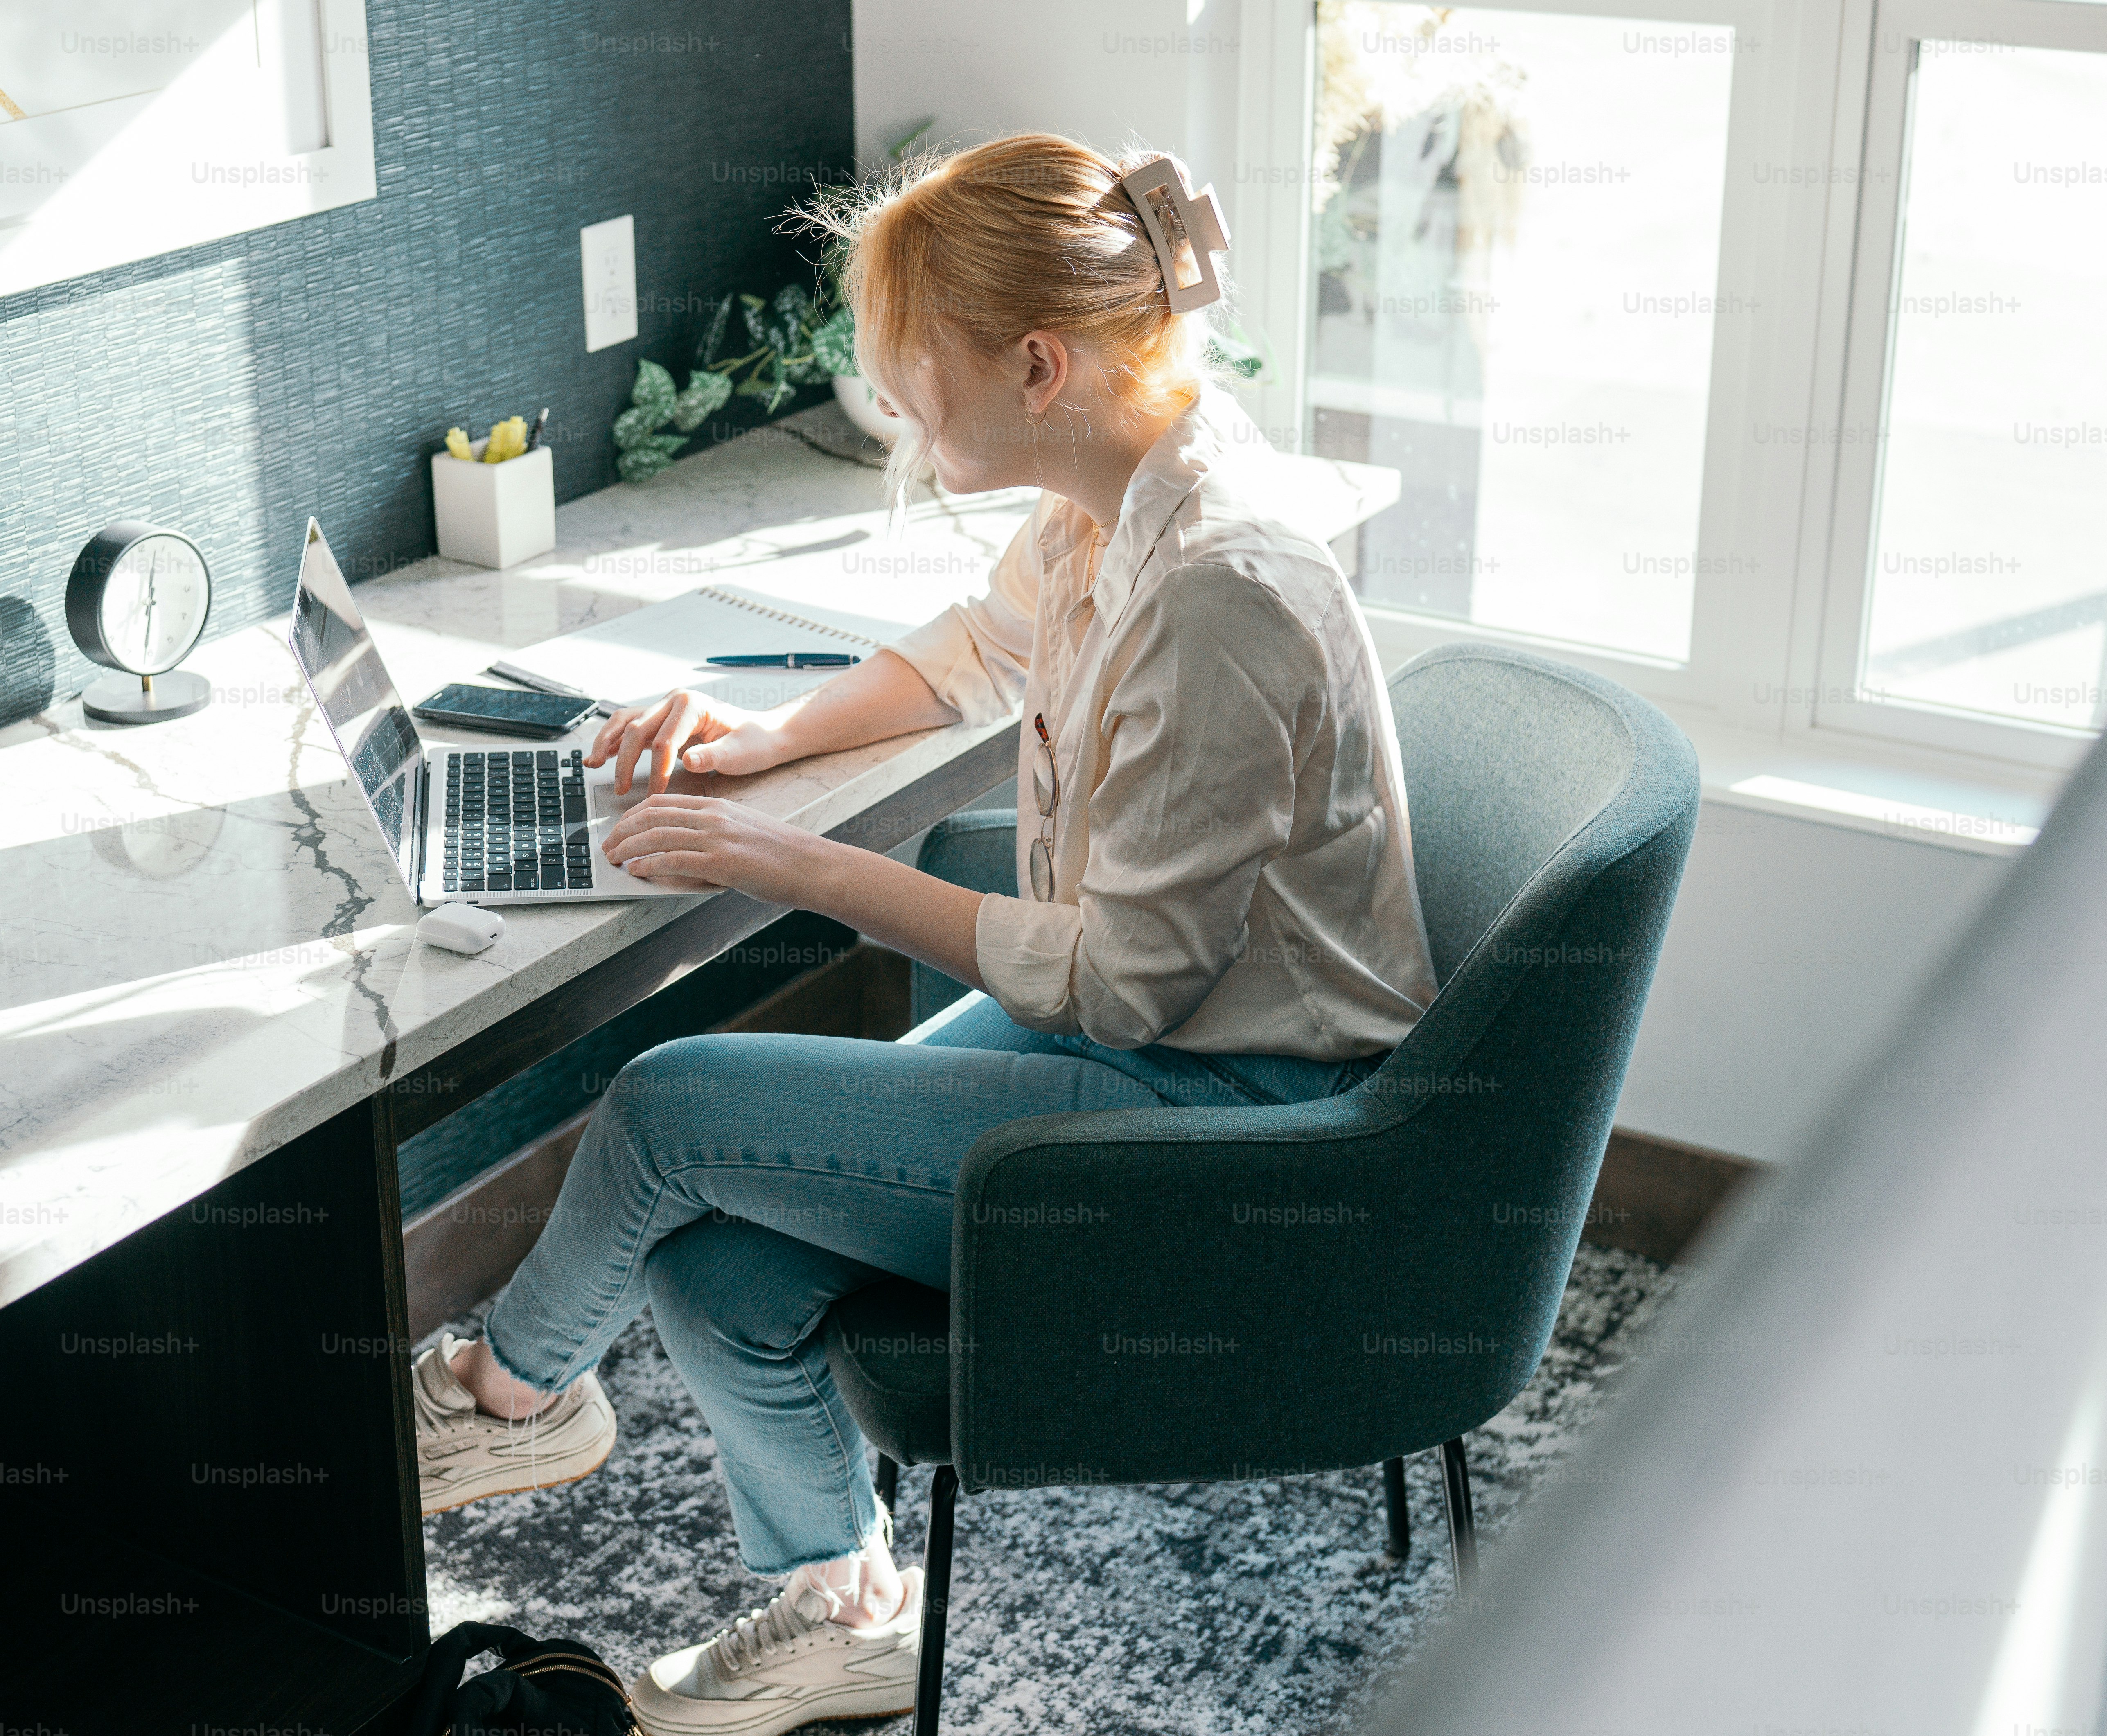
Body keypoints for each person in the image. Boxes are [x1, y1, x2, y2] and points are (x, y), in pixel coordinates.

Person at [407, 133, 1438, 1736]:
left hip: (1243, 1114)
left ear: (1036, 363)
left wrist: (795, 862)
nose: (892, 400)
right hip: (1170, 1034)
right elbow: (974, 647)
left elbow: (1121, 983)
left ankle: (509, 1394)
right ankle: (847, 1610)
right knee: (711, 1257)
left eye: (913, 366)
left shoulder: (1217, 590)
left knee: (668, 1106)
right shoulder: (1125, 489)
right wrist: (766, 742)